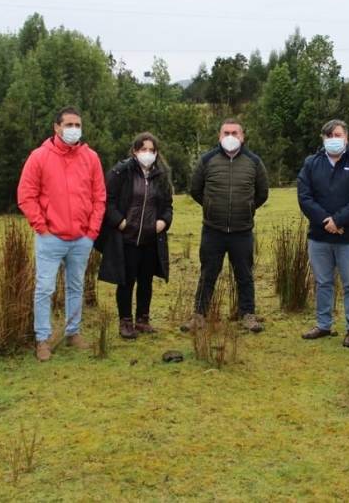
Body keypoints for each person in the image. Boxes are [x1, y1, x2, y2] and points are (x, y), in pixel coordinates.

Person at [17, 106, 106, 362]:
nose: (74, 130)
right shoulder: (39, 157)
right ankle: (42, 339)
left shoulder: (91, 158)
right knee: (44, 288)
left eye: (77, 125)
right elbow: (26, 195)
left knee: (76, 286)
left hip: (81, 238)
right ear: (57, 127)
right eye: (69, 125)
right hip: (50, 238)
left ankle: (73, 332)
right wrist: (41, 227)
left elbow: (99, 196)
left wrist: (92, 231)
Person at [181, 118, 269, 333]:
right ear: (219, 137)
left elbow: (262, 193)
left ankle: (247, 315)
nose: (230, 137)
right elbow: (196, 189)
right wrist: (212, 207)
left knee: (245, 275)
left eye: (235, 133)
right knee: (208, 274)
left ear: (243, 137)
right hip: (213, 230)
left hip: (242, 231)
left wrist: (246, 208)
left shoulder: (254, 162)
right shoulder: (207, 160)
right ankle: (199, 316)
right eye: (226, 133)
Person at [297, 119, 349, 348]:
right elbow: (304, 196)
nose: (333, 140)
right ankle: (323, 324)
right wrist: (325, 221)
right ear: (323, 139)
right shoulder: (311, 163)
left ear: (346, 138)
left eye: (337, 135)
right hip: (319, 237)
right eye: (329, 136)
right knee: (322, 282)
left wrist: (339, 220)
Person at [97, 132, 173, 339]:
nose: (147, 154)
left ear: (157, 153)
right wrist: (120, 222)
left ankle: (143, 319)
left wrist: (163, 222)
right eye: (143, 149)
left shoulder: (161, 176)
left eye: (151, 150)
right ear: (134, 151)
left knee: (146, 281)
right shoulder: (121, 172)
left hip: (150, 239)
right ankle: (125, 321)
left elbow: (167, 206)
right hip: (127, 239)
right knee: (126, 281)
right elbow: (107, 201)